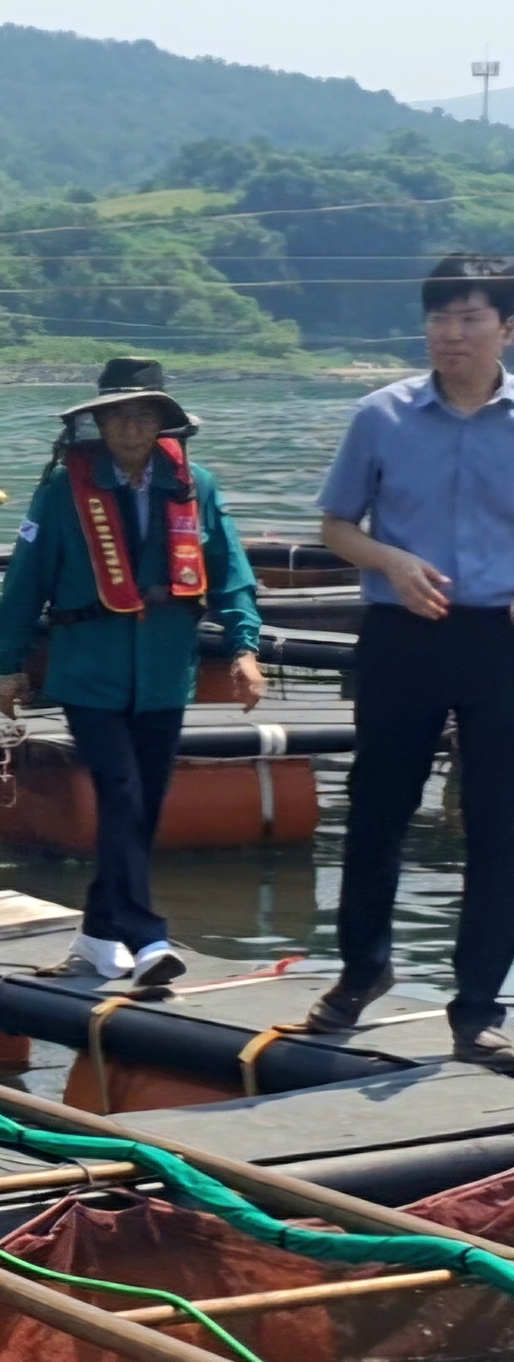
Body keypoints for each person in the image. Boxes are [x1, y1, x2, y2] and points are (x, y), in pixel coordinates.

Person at [0, 358, 264, 988]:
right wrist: (8, 664)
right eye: (118, 414)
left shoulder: (199, 486)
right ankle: (147, 938)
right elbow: (24, 579)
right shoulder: (64, 491)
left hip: (167, 672)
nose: (131, 427)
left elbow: (231, 574)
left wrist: (245, 649)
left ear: (164, 422)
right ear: (99, 421)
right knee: (122, 794)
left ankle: (96, 935)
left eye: (143, 415)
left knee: (141, 811)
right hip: (91, 672)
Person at [314, 253, 514, 1061]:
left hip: (500, 639)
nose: (451, 335)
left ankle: (478, 1007)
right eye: (439, 318)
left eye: (469, 318)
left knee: (500, 826)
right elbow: (336, 525)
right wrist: (391, 562)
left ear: (507, 327)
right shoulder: (381, 416)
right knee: (377, 810)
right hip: (403, 633)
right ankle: (362, 970)